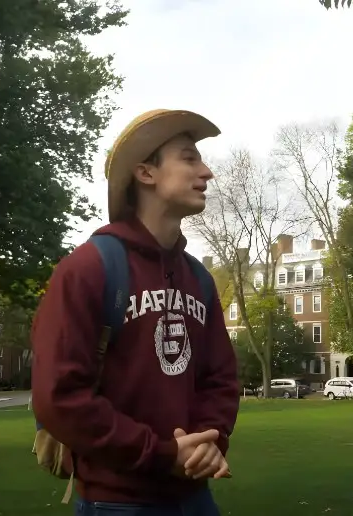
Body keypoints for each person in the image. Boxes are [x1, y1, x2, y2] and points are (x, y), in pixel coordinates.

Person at [31, 109, 240, 515]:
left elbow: (220, 379)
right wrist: (162, 453)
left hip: (195, 498)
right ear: (146, 173)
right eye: (189, 158)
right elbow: (59, 397)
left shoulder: (199, 277)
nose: (207, 172)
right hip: (116, 503)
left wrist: (207, 443)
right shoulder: (88, 268)